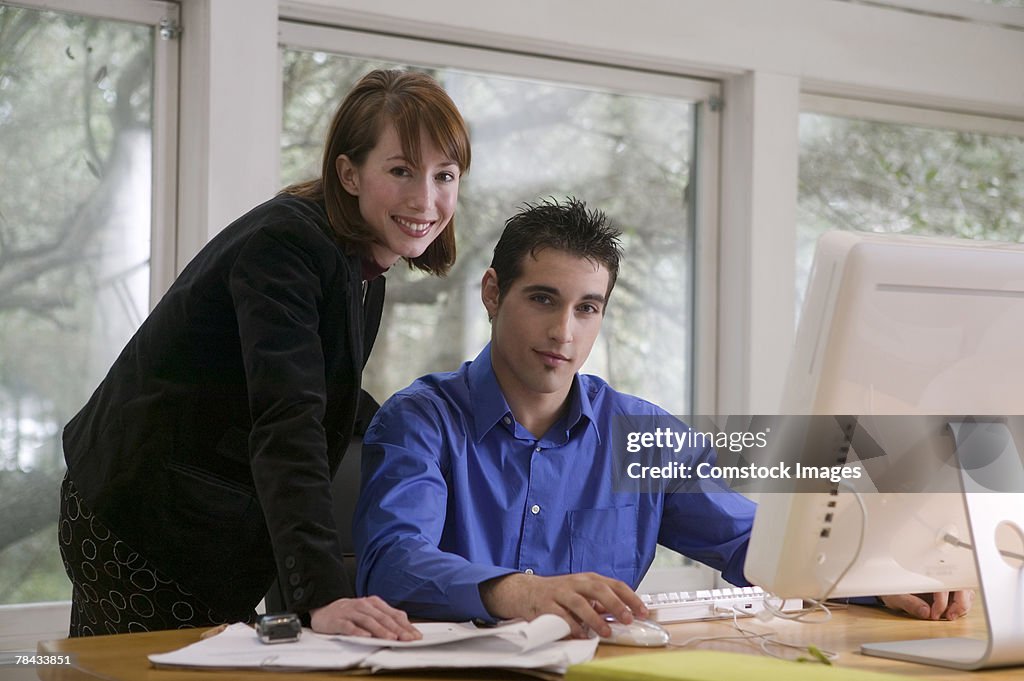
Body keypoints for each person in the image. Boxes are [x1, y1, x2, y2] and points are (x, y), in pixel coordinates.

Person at [353, 197, 973, 639]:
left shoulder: (642, 437)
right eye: (543, 298)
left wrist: (878, 577)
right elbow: (392, 560)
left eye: (587, 308)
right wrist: (521, 590)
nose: (563, 332)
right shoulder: (420, 422)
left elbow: (754, 543)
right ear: (493, 293)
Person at [59, 69, 470, 639]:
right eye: (401, 170)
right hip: (142, 519)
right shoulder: (289, 246)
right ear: (348, 174)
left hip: (184, 514)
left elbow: (325, 388)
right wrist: (323, 595)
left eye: (443, 175)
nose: (425, 198)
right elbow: (288, 418)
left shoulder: (363, 264)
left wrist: (423, 424)